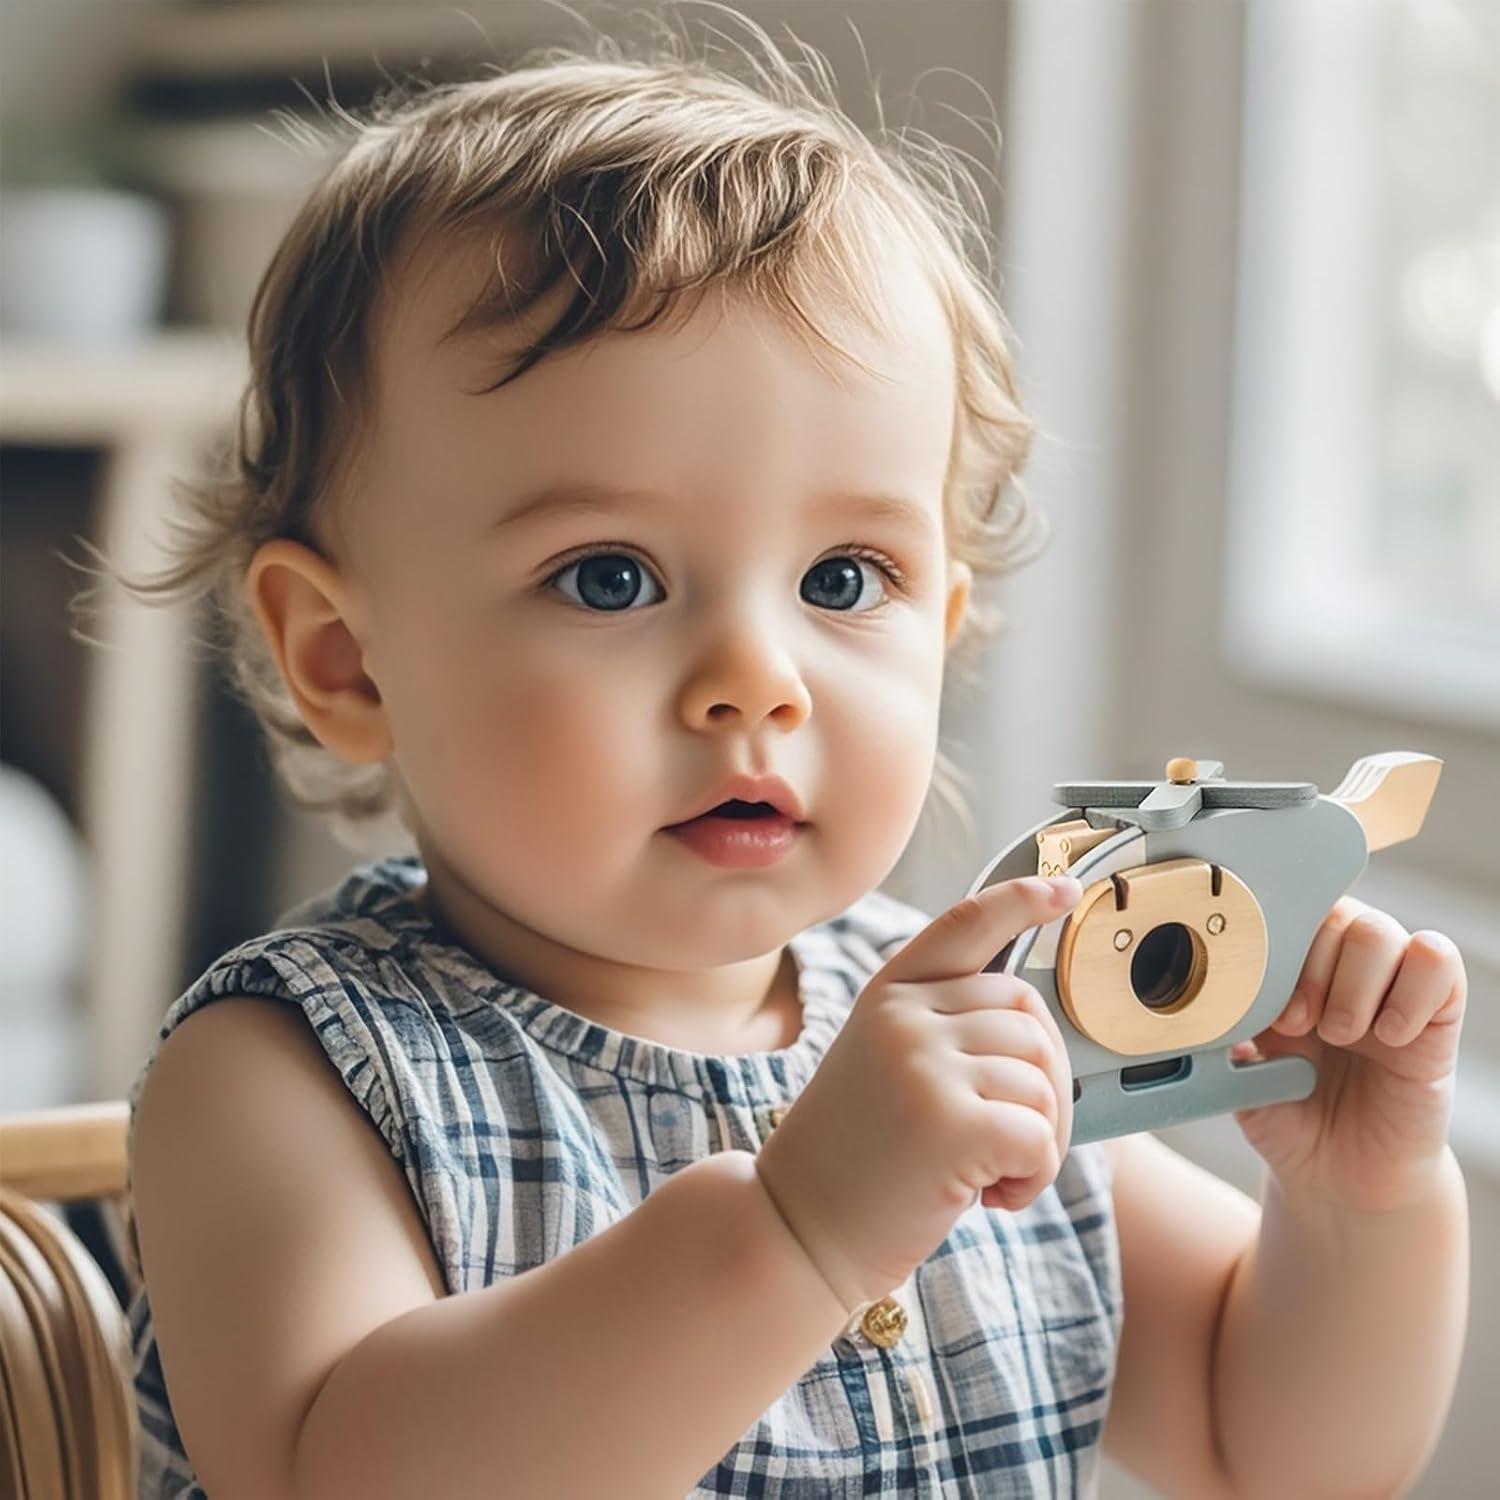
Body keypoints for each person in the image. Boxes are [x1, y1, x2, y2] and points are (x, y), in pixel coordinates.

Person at [113, 15, 1470, 1499]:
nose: (755, 680)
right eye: (610, 577)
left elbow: (1268, 1450)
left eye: (842, 582)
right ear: (342, 659)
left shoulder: (979, 1034)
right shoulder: (282, 1077)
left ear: (942, 630)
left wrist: (1365, 1204)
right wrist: (797, 1231)